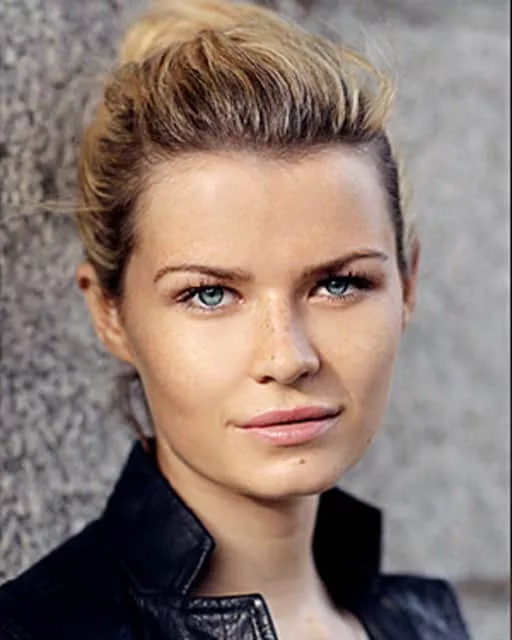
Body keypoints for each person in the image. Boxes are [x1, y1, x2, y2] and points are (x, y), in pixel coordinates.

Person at [0, 0, 471, 638]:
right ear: (109, 313)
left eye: (338, 284)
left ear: (407, 286)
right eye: (209, 295)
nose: (287, 357)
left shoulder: (429, 621)